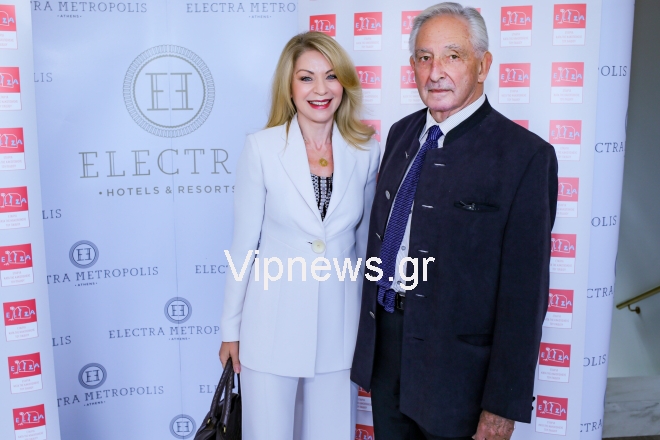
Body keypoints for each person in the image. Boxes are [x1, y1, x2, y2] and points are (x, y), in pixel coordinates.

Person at [351, 3, 558, 440]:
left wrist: (501, 405)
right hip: (389, 351)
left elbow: (525, 296)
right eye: (424, 57)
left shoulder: (525, 156)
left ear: (482, 65)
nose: (435, 72)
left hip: (461, 375)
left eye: (452, 56)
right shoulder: (401, 133)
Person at [219, 32, 379, 440]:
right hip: (270, 328)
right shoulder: (261, 148)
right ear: (289, 88)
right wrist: (230, 330)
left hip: (339, 330)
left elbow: (365, 249)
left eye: (331, 76)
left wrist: (369, 326)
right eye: (306, 78)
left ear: (344, 83)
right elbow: (244, 247)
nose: (320, 89)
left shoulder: (366, 151)